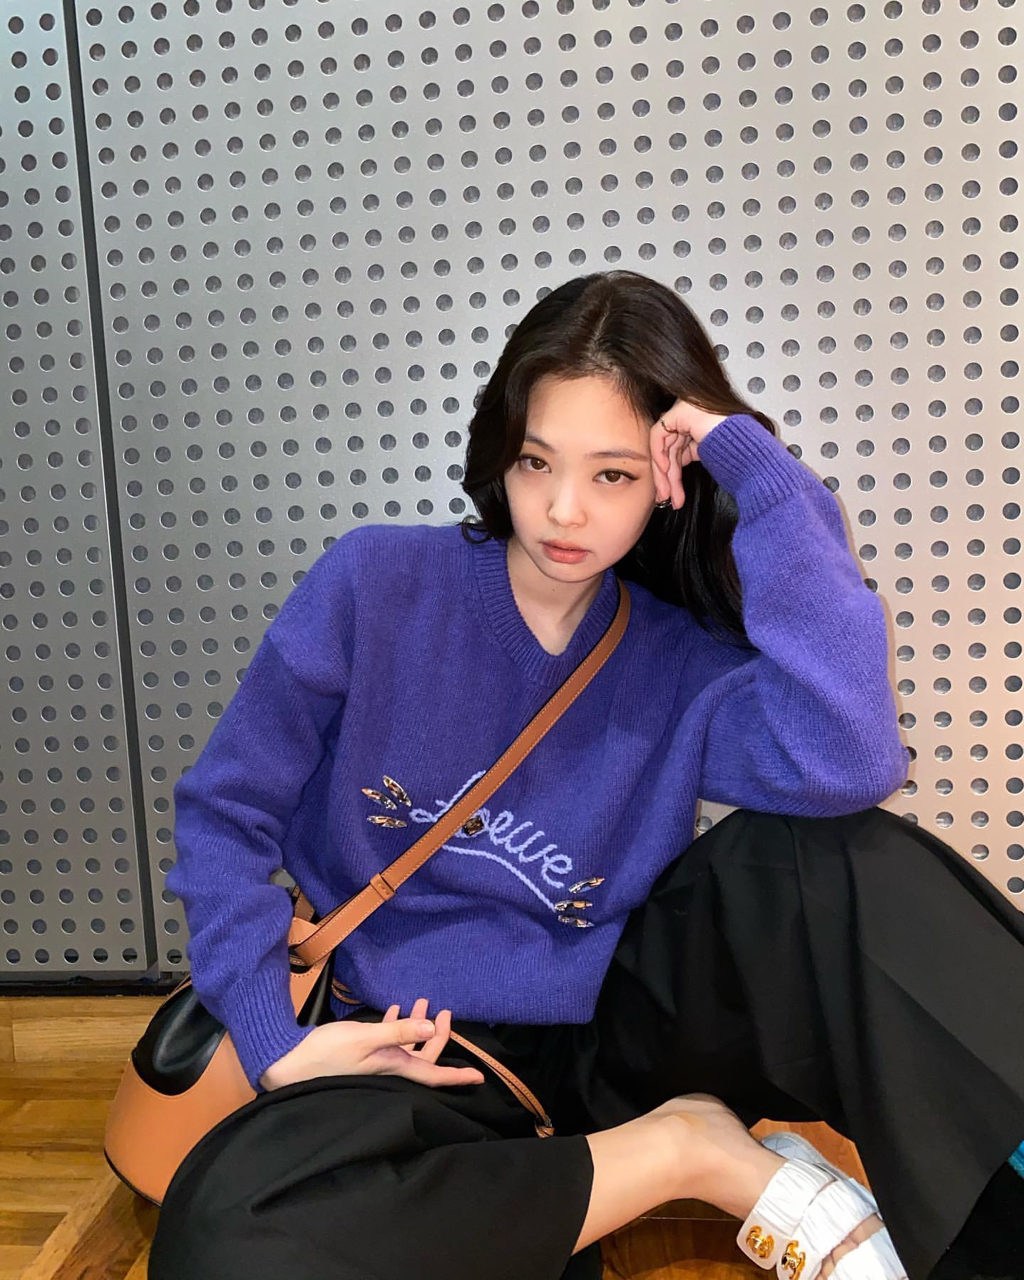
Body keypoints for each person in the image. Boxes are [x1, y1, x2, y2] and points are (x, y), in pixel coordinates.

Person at [148, 270, 1024, 1280]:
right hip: (406, 1047)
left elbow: (850, 758)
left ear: (666, 479)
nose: (563, 509)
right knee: (227, 1234)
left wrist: (763, 477)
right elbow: (224, 813)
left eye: (612, 473)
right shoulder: (378, 584)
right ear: (501, 451)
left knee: (848, 865)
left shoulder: (678, 658)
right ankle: (680, 1154)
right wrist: (274, 1042)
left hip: (614, 1039)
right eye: (537, 461)